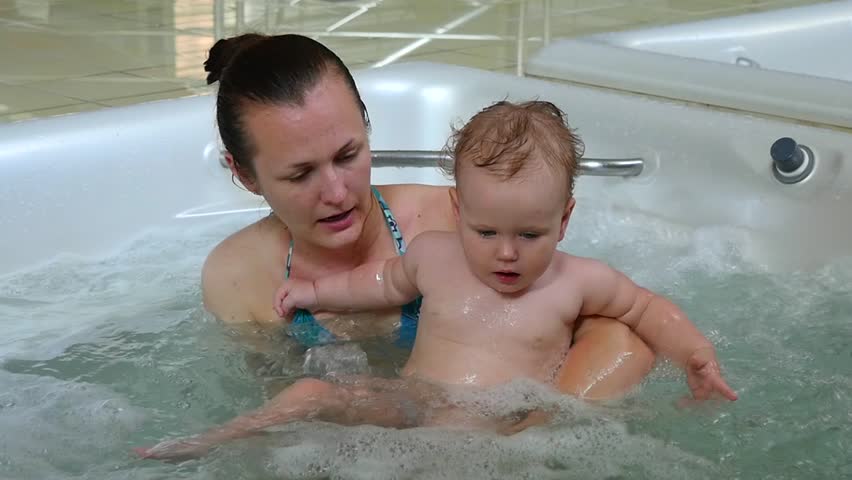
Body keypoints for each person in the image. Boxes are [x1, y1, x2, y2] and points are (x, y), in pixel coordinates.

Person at [136, 100, 735, 461]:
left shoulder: (578, 280)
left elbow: (647, 310)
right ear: (459, 210)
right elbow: (377, 283)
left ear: (565, 219)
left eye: (529, 235)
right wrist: (315, 294)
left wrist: (695, 353)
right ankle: (215, 442)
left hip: (506, 423)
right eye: (484, 232)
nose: (505, 253)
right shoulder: (437, 256)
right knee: (313, 395)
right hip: (413, 403)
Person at [197, 32, 655, 396]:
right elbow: (275, 421)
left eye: (348, 155)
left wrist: (535, 431)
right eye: (300, 175)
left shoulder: (458, 224)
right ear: (246, 175)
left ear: (368, 128)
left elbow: (621, 341)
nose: (336, 192)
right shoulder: (238, 278)